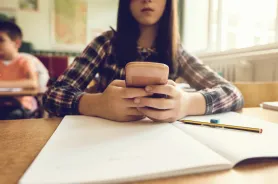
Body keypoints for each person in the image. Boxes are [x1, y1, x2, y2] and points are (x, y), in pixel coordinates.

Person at [43, 0, 244, 122]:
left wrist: (187, 103)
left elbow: (232, 93)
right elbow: (53, 95)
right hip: (103, 140)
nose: (147, 0)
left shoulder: (177, 52)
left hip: (157, 143)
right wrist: (97, 104)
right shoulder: (105, 43)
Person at [0, 21, 38, 119]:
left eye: (1, 40)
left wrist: (2, 84)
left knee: (13, 115)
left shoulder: (25, 61)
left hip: (21, 105)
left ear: (16, 43)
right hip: (2, 103)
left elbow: (33, 83)